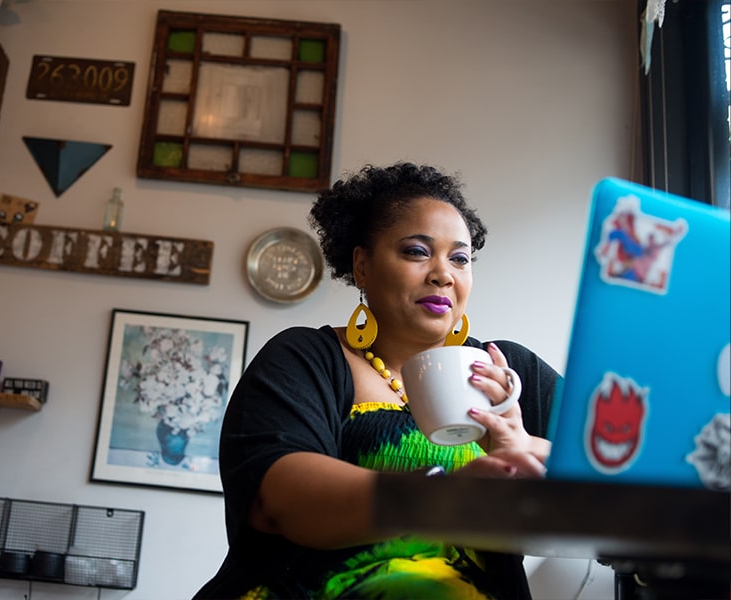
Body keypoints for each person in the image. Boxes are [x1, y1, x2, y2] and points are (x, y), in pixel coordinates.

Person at [195, 162, 560, 599]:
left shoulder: (510, 371)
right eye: (416, 251)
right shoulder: (305, 359)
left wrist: (523, 447)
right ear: (362, 266)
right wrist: (443, 499)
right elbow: (280, 497)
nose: (443, 273)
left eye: (460, 258)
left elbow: (622, 470)